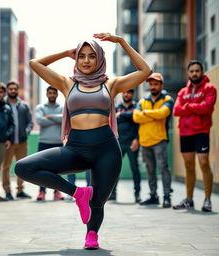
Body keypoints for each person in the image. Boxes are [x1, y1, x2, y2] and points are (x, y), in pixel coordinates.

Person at [15, 33, 151, 249]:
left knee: (98, 201)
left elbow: (146, 71)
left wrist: (122, 42)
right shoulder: (66, 83)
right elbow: (35, 63)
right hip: (75, 149)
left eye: (91, 56)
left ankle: (92, 235)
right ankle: (79, 193)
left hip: (107, 149)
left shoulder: (111, 84)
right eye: (81, 56)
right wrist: (65, 53)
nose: (86, 61)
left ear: (99, 59)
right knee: (23, 167)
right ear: (76, 60)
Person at [173, 60, 217, 212]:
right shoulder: (182, 92)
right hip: (185, 132)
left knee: (203, 162)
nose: (194, 73)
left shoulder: (210, 88)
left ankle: (207, 200)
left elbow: (207, 107)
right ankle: (189, 199)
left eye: (197, 71)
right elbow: (176, 111)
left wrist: (189, 106)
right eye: (191, 71)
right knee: (189, 166)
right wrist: (194, 107)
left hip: (201, 131)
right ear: (188, 73)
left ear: (202, 72)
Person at [133, 73, 173, 208]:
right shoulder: (142, 101)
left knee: (163, 168)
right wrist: (154, 115)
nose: (153, 86)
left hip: (159, 140)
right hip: (144, 141)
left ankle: (167, 197)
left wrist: (145, 113)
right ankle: (153, 196)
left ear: (161, 85)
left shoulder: (167, 99)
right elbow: (136, 117)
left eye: (156, 84)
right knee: (150, 170)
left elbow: (163, 113)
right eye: (151, 84)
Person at [2, 81, 33, 200]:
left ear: (18, 90)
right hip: (7, 142)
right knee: (6, 166)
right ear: (7, 90)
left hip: (22, 142)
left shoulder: (24, 105)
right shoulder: (3, 104)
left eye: (15, 89)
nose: (13, 91)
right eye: (10, 89)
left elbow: (30, 122)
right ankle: (7, 191)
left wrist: (27, 131)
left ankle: (20, 191)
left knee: (22, 167)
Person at [108, 89, 141, 203]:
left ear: (133, 94)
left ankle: (137, 194)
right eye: (125, 92)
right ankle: (112, 194)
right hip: (118, 143)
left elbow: (138, 121)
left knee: (135, 168)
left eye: (129, 92)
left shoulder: (137, 106)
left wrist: (137, 139)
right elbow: (112, 123)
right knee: (114, 169)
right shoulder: (117, 107)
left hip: (132, 142)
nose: (126, 94)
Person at [35, 86, 65, 201]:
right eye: (50, 93)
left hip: (58, 142)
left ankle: (57, 191)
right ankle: (42, 191)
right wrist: (57, 119)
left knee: (58, 168)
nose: (52, 95)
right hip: (44, 141)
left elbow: (64, 120)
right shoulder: (40, 107)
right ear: (47, 94)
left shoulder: (62, 107)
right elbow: (40, 121)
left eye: (54, 93)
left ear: (57, 94)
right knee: (42, 168)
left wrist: (50, 117)